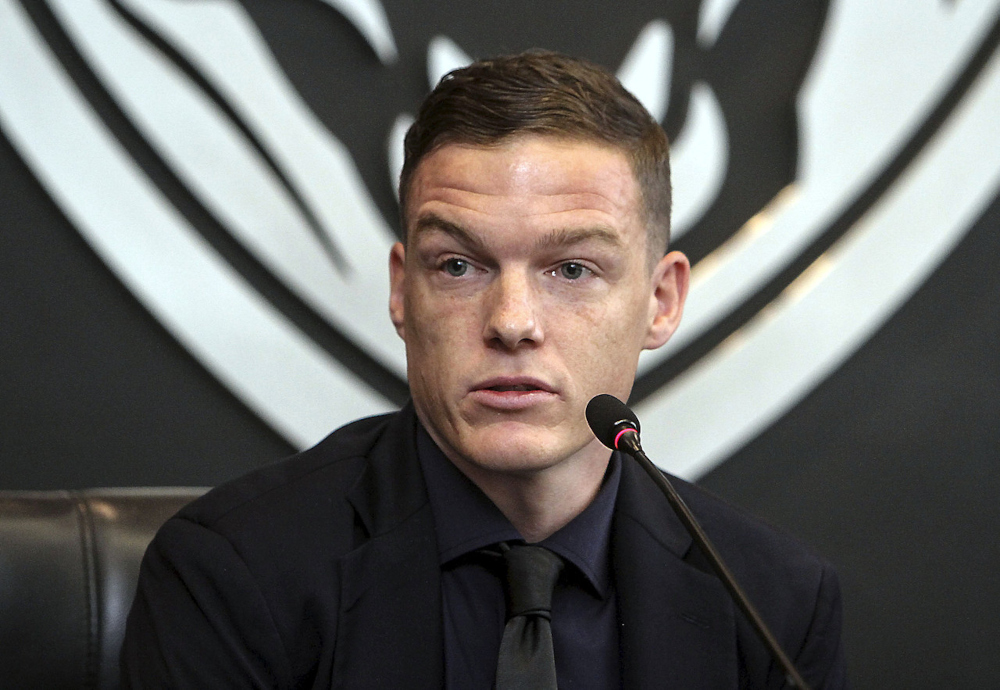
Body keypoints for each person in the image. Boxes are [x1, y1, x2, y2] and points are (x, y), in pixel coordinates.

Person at [121, 51, 847, 689]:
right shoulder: (232, 574)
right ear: (404, 291)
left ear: (660, 301)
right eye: (460, 265)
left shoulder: (772, 605)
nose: (512, 321)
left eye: (571, 268)